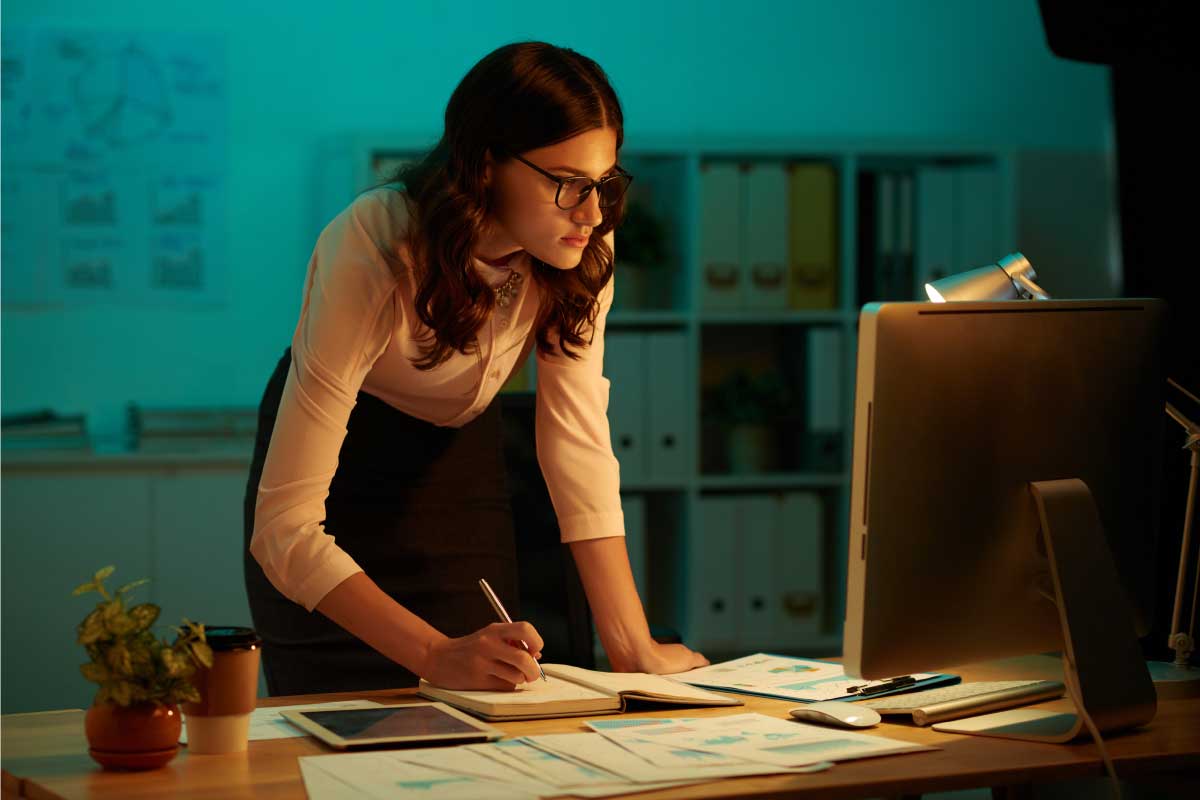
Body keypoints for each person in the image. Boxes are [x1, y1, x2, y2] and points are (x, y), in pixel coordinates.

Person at [242, 41, 709, 696]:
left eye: (604, 183)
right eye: (567, 183)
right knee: (343, 732)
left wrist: (635, 648)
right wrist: (434, 654)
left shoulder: (582, 244)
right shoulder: (375, 242)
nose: (593, 212)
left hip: (456, 460)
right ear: (486, 165)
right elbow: (285, 530)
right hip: (341, 469)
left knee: (488, 700)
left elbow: (578, 447)